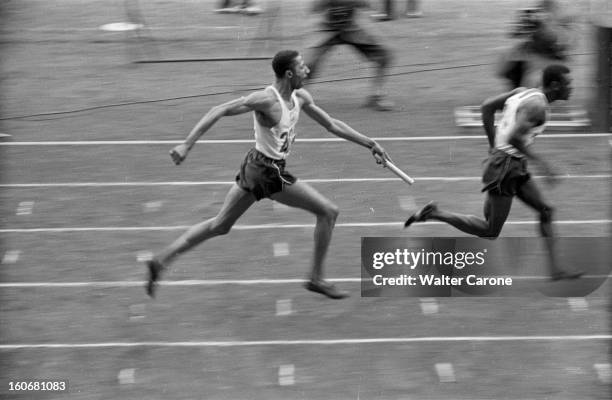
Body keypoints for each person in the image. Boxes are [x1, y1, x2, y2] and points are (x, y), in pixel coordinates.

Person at [146, 50, 391, 299]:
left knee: (220, 225)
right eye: (302, 67)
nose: (307, 70)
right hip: (266, 171)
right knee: (328, 212)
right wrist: (186, 145)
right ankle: (316, 278)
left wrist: (370, 143)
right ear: (289, 73)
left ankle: (160, 260)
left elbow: (332, 124)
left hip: (256, 167)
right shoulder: (266, 100)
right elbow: (218, 110)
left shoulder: (301, 97)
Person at [404, 64, 583, 281]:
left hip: (510, 164)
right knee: (490, 230)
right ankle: (434, 213)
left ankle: (556, 271)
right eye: (568, 84)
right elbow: (514, 138)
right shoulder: (538, 108)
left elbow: (487, 106)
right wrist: (543, 165)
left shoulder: (523, 92)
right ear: (555, 86)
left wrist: (493, 146)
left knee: (546, 211)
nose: (572, 88)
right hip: (506, 168)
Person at [307, 0, 394, 111]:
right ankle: (295, 97)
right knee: (307, 64)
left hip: (350, 26)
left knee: (384, 55)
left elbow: (366, 5)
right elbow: (315, 8)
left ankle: (376, 96)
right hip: (327, 27)